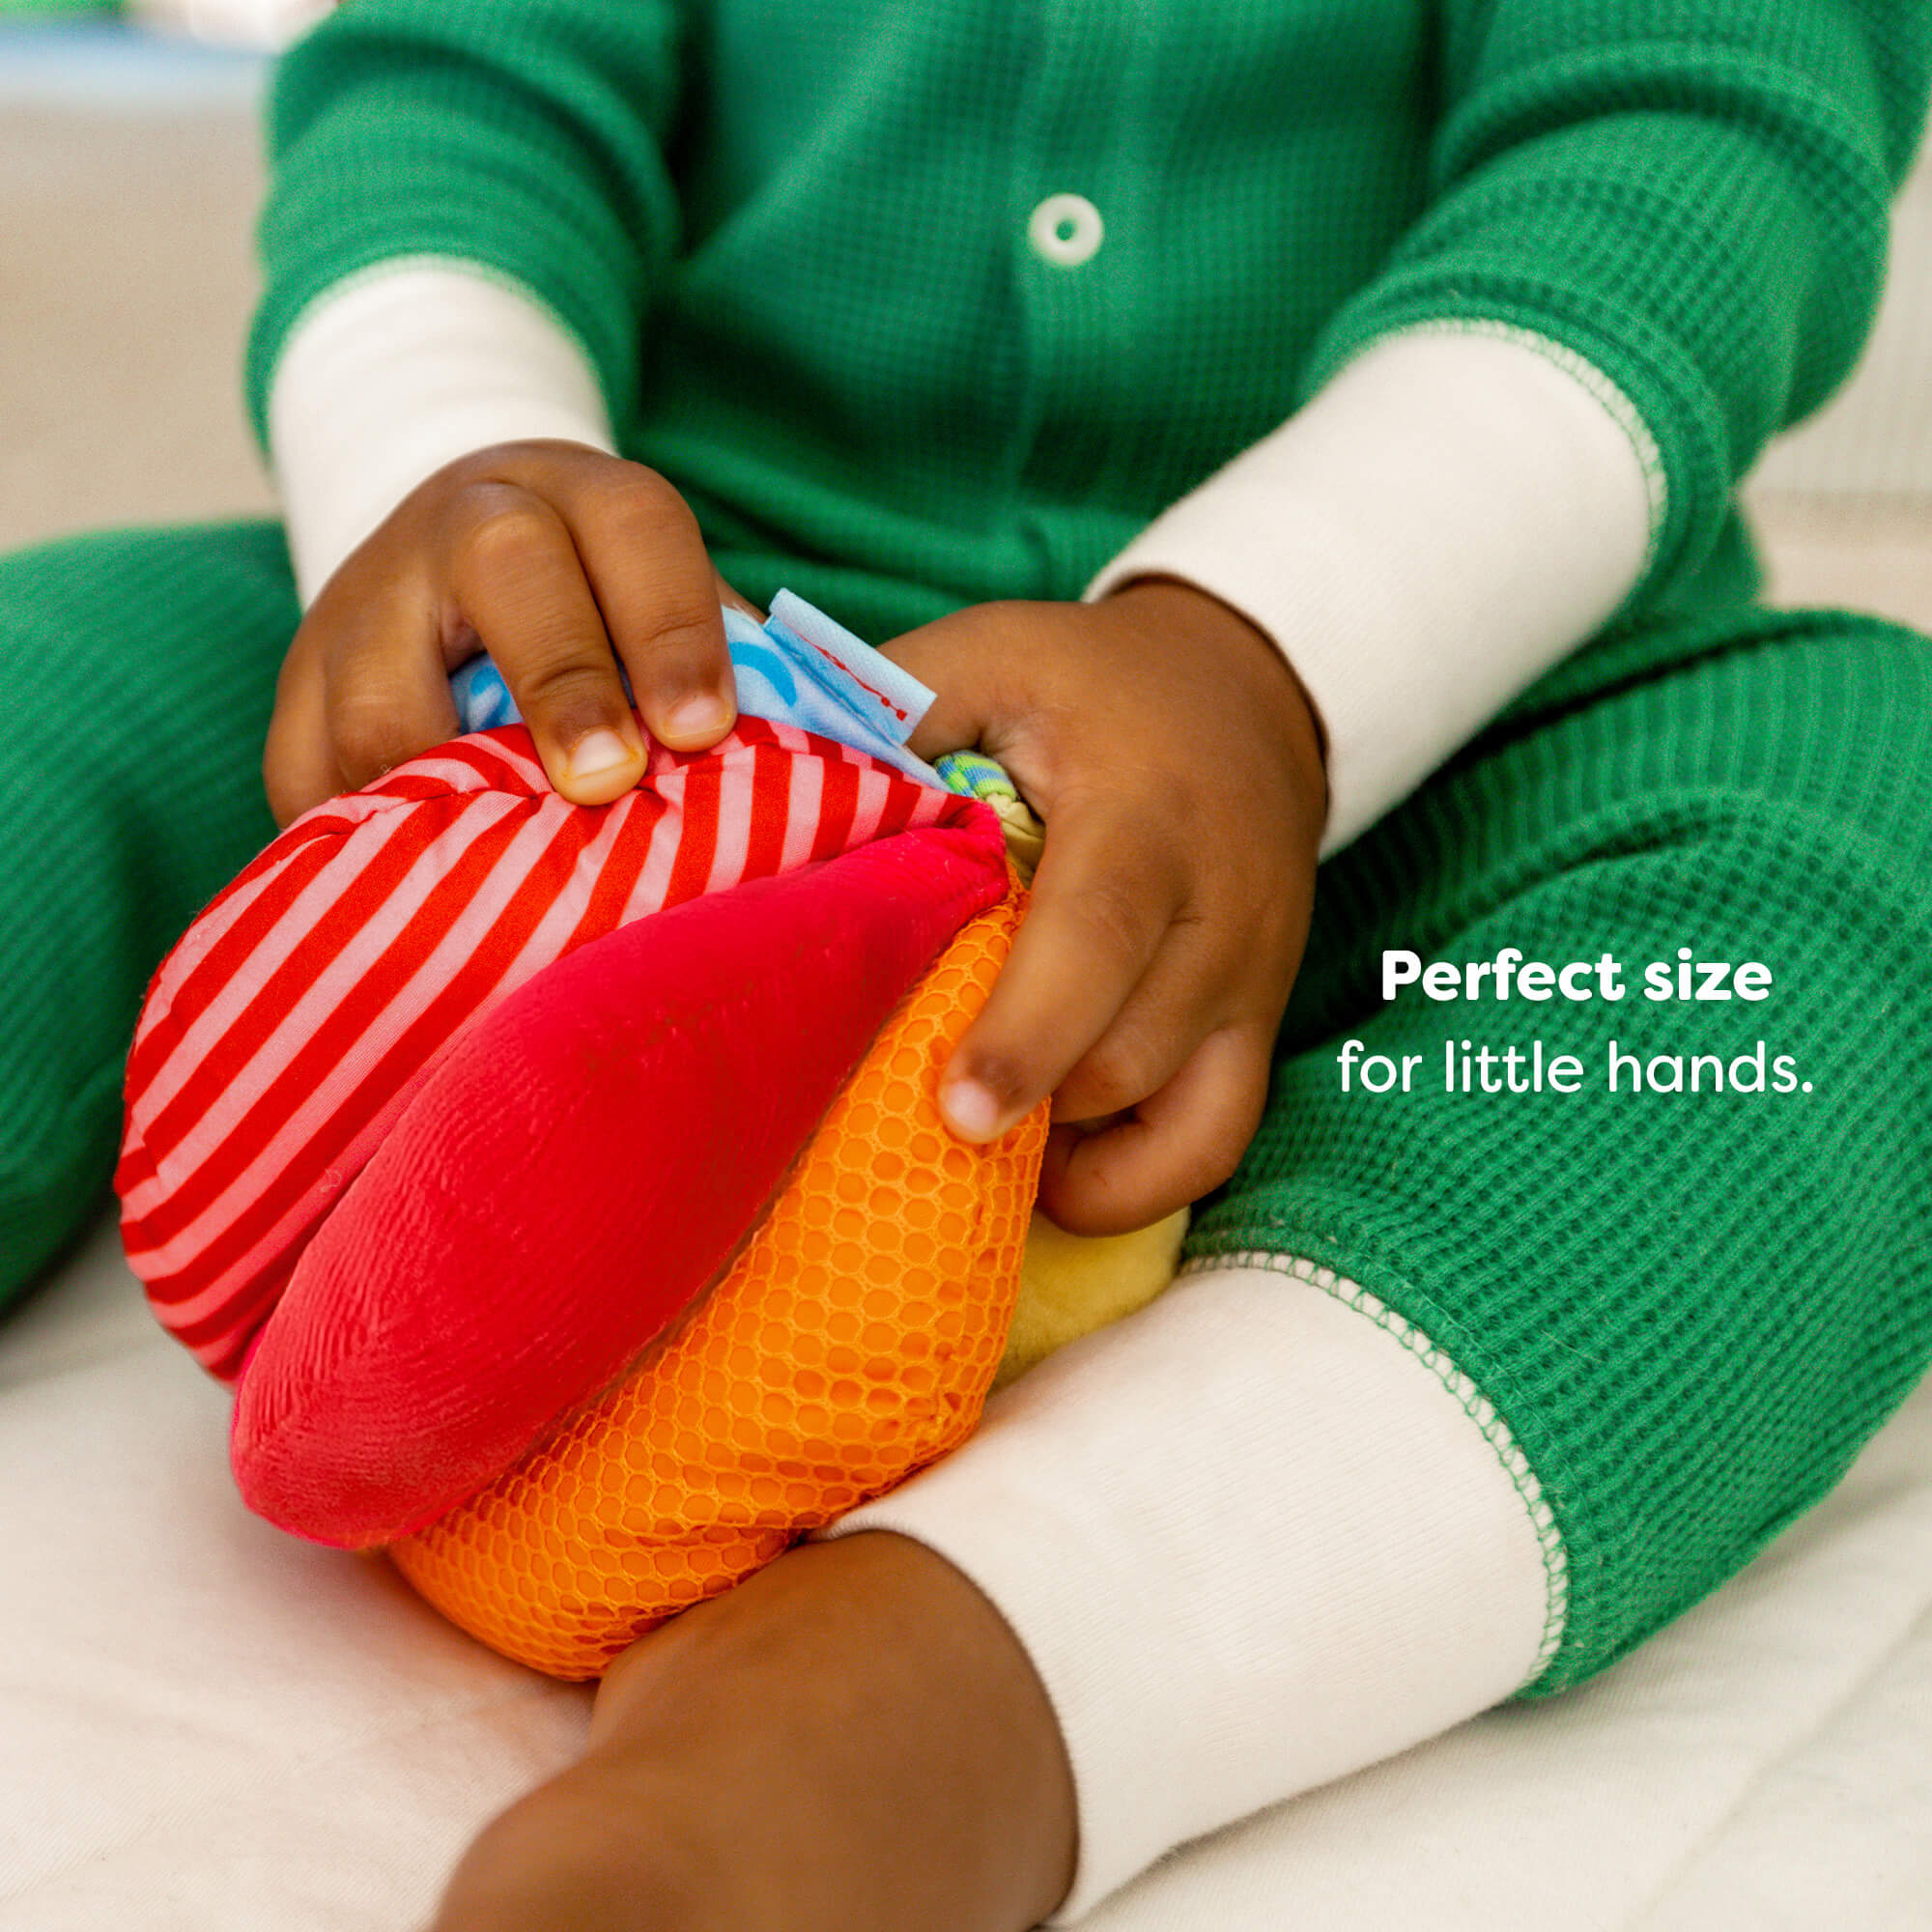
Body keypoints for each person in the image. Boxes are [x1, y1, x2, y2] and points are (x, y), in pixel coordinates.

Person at [6, 4, 1932, 1927]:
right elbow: (465, 78)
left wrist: (1273, 655)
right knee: (61, 686)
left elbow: (1686, 147)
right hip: (644, 648)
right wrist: (457, 470)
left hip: (1447, 703)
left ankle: (981, 1655)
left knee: (1863, 828)